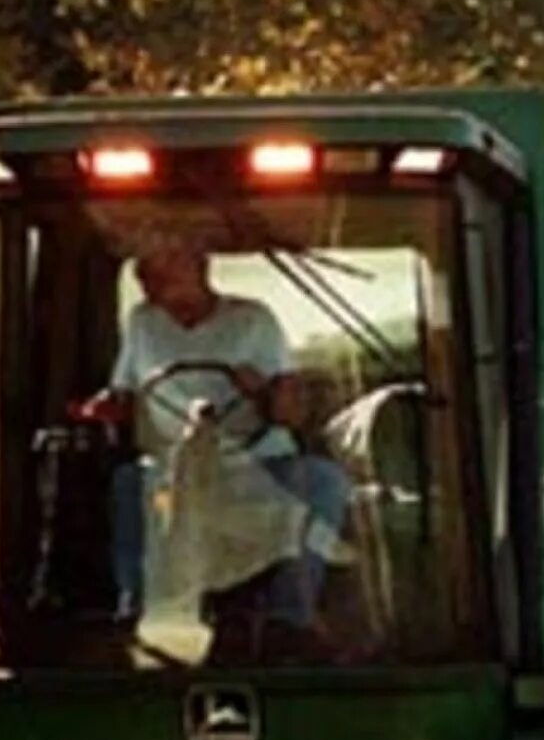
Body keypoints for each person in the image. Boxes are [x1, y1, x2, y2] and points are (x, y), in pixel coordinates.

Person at [80, 227, 350, 649]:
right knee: (129, 483)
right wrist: (103, 407)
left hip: (256, 465)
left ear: (199, 266)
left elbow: (291, 412)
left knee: (322, 481)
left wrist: (260, 392)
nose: (151, 271)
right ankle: (134, 611)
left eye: (167, 260)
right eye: (147, 265)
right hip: (173, 471)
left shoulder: (253, 320)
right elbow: (124, 394)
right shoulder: (142, 323)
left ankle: (289, 618)